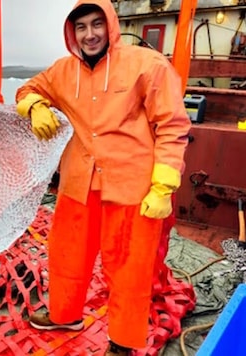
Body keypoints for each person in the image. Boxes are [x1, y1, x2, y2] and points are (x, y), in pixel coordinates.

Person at [15, 1, 191, 355]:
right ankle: (65, 315)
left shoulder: (148, 65)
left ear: (111, 25)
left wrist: (163, 187)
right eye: (81, 27)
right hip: (79, 183)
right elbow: (29, 88)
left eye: (97, 24)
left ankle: (123, 342)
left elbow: (172, 126)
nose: (90, 34)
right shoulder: (62, 71)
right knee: (66, 255)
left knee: (128, 267)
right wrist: (33, 106)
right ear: (71, 33)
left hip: (133, 187)